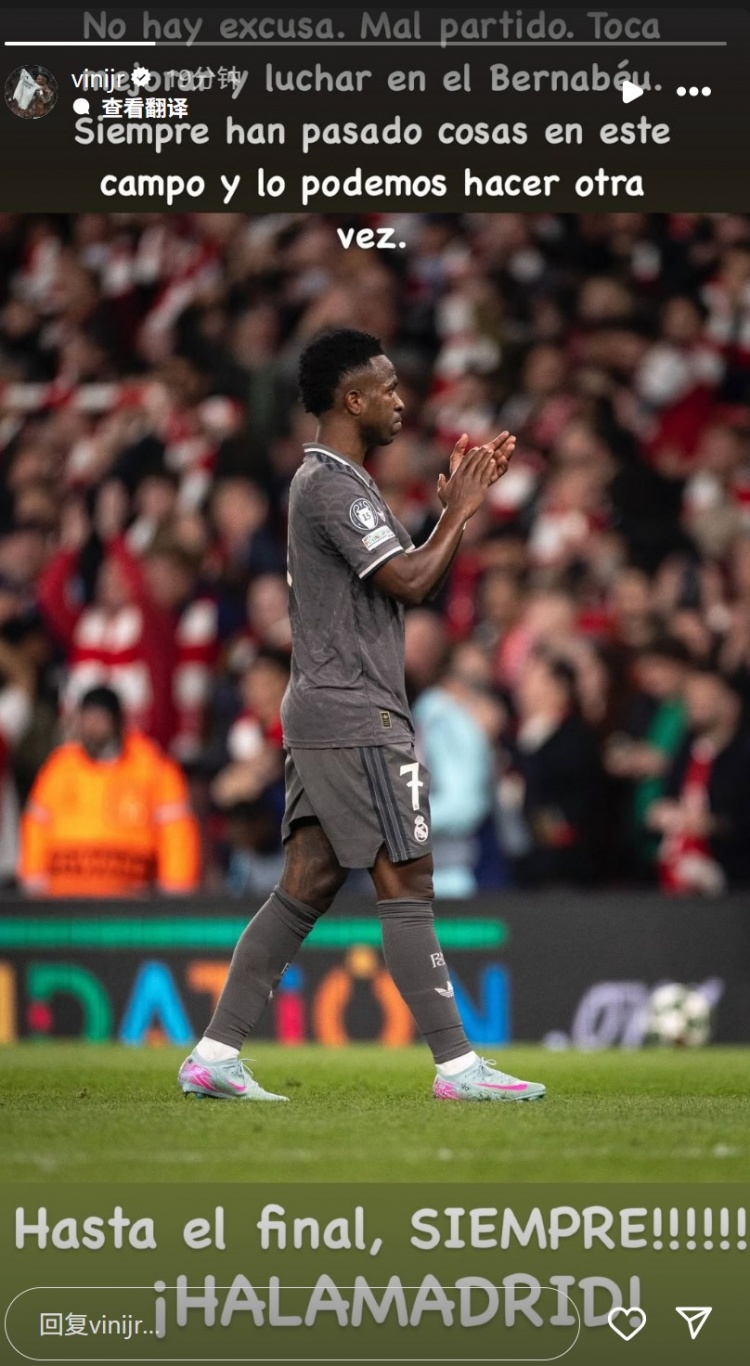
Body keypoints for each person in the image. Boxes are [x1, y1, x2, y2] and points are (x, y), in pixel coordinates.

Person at [179, 326, 545, 1103]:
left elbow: (413, 580)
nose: (401, 401)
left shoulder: (340, 482)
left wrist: (450, 517)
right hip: (355, 712)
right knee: (407, 877)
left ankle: (214, 1053)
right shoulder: (331, 486)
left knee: (309, 881)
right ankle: (459, 1068)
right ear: (352, 400)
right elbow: (412, 580)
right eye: (387, 388)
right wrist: (460, 513)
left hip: (327, 705)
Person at [19, 686, 200, 898]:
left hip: (130, 900)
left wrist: (175, 895)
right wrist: (34, 887)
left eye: (99, 719)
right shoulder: (59, 768)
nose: (92, 728)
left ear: (117, 721)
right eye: (87, 719)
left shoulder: (152, 767)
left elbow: (176, 832)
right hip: (63, 899)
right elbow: (35, 825)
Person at [648, 667, 750, 893]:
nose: (695, 706)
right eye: (691, 699)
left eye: (705, 698)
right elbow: (669, 796)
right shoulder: (686, 752)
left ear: (731, 704)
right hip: (676, 881)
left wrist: (714, 824)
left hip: (735, 883)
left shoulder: (743, 756)